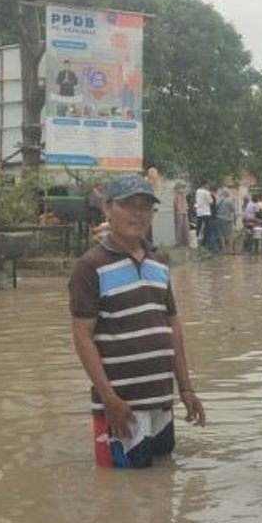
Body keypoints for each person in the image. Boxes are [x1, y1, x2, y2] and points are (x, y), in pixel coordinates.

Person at [69, 175, 206, 468]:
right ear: (107, 209)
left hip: (161, 401)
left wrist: (185, 388)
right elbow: (83, 337)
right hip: (121, 407)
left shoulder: (158, 263)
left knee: (160, 490)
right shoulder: (90, 267)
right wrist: (109, 399)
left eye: (145, 207)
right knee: (123, 494)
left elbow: (172, 326)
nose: (138, 214)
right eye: (128, 205)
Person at [215, 187, 238, 254]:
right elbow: (233, 210)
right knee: (228, 234)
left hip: (219, 218)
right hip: (227, 219)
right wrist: (235, 220)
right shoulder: (229, 200)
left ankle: (223, 249)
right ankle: (230, 250)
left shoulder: (218, 200)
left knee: (221, 234)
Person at [172, 181, 190, 247]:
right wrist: (178, 208)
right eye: (182, 187)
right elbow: (175, 203)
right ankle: (178, 243)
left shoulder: (183, 194)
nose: (182, 189)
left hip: (184, 211)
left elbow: (185, 202)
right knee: (179, 227)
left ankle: (186, 242)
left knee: (186, 226)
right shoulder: (175, 194)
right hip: (178, 212)